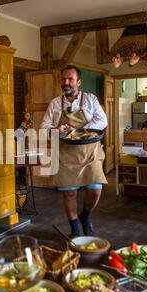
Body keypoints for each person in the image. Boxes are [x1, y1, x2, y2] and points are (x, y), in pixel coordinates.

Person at [41, 65, 108, 238]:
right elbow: (44, 127)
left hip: (89, 153)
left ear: (78, 82)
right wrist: (57, 129)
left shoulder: (90, 99)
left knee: (95, 190)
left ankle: (84, 216)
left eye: (70, 79)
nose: (66, 83)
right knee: (70, 193)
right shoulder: (55, 104)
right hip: (66, 153)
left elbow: (102, 120)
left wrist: (79, 130)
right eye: (64, 79)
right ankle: (74, 228)